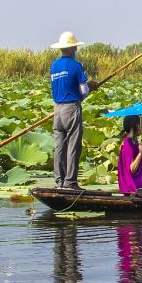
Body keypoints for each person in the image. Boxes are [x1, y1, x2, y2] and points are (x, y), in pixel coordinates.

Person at [48, 31, 92, 191]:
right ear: (73, 48)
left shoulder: (54, 66)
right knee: (73, 145)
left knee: (59, 146)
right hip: (71, 108)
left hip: (57, 110)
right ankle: (70, 183)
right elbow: (84, 90)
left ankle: (59, 181)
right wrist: (90, 89)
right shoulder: (76, 65)